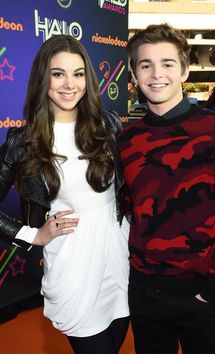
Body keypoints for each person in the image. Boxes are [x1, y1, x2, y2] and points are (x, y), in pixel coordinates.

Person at [0, 34, 130, 354]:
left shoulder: (109, 125)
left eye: (79, 73)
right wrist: (32, 235)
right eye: (58, 73)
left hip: (120, 264)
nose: (69, 84)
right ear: (44, 78)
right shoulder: (23, 141)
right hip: (74, 269)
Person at [118, 23, 215, 354]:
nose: (157, 74)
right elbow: (129, 206)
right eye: (146, 65)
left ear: (184, 70)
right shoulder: (126, 139)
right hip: (144, 293)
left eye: (167, 63)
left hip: (202, 294)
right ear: (134, 74)